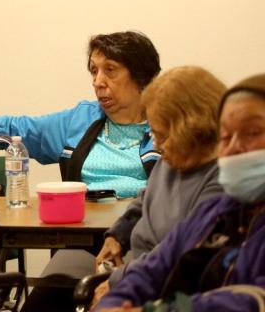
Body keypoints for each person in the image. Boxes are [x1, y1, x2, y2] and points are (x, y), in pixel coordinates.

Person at [23, 67, 225, 311]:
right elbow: (144, 200)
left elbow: (179, 252)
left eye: (162, 134)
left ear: (192, 129)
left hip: (165, 279)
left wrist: (120, 280)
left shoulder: (219, 178)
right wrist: (117, 235)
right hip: (133, 263)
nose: (157, 143)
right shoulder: (173, 158)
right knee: (51, 290)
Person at [95, 75, 265, 312]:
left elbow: (249, 301)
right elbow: (154, 269)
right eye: (225, 136)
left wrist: (152, 310)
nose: (234, 147)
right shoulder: (215, 213)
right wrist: (112, 304)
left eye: (253, 132)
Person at [0, 31, 162, 197]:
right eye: (94, 71)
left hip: (146, 235)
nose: (98, 81)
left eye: (110, 70)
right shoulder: (79, 121)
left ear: (141, 76)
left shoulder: (169, 125)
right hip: (83, 234)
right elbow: (12, 129)